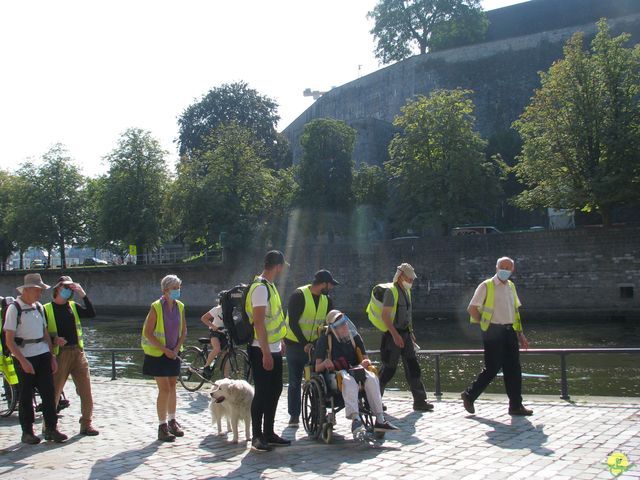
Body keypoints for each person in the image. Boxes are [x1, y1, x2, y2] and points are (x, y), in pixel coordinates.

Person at [461, 257, 533, 416]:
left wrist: (520, 334)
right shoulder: (486, 286)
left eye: (508, 267)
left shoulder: (511, 286)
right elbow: (472, 308)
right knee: (492, 368)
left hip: (510, 330)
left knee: (514, 369)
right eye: (502, 266)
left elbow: (515, 312)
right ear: (496, 267)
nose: (505, 270)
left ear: (512, 270)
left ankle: (515, 406)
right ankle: (469, 395)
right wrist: (485, 324)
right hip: (493, 331)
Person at [3, 273, 68, 444]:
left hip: (42, 354)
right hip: (25, 356)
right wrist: (23, 361)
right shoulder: (14, 309)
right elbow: (9, 340)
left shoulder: (39, 307)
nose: (40, 294)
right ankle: (27, 432)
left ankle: (51, 429)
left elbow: (45, 334)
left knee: (48, 393)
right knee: (25, 395)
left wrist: (52, 356)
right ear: (28, 290)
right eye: (38, 290)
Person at [315, 309, 398, 436]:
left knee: (372, 378)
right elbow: (317, 367)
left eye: (344, 322)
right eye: (340, 325)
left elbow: (365, 358)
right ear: (333, 329)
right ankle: (356, 419)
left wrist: (365, 362)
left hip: (357, 369)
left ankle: (380, 419)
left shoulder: (355, 337)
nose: (344, 326)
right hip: (337, 373)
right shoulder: (325, 340)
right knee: (348, 381)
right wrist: (325, 363)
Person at [367, 263, 433, 412]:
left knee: (413, 367)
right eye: (409, 279)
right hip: (393, 335)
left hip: (405, 333)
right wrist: (396, 336)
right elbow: (385, 316)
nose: (411, 282)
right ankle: (374, 401)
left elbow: (406, 315)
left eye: (412, 279)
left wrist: (410, 332)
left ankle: (420, 401)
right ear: (401, 276)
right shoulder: (391, 292)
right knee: (388, 369)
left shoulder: (406, 291)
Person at [245, 250, 290, 452]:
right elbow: (259, 323)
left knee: (275, 390)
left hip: (272, 346)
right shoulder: (261, 288)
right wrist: (264, 352)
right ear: (278, 266)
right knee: (262, 393)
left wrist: (279, 341)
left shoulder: (269, 286)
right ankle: (257, 436)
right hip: (260, 348)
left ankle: (269, 432)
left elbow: (273, 320)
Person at [43, 275, 98, 436]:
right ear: (57, 289)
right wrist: (54, 340)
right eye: (65, 287)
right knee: (54, 392)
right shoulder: (46, 309)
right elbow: (40, 332)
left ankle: (86, 424)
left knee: (86, 391)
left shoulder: (73, 306)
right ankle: (49, 426)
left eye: (70, 288)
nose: (68, 291)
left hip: (78, 352)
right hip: (60, 354)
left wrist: (83, 294)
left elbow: (91, 313)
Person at [284, 269, 338, 426]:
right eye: (330, 285)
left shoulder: (327, 300)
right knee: (294, 381)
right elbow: (293, 322)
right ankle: (294, 415)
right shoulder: (298, 295)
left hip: (315, 346)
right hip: (295, 345)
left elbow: (329, 323)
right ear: (323, 284)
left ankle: (317, 412)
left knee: (316, 379)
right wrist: (303, 343)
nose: (332, 288)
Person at [141, 274, 187, 442]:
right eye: (175, 288)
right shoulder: (156, 307)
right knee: (165, 389)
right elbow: (148, 332)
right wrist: (164, 349)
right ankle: (162, 426)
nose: (178, 291)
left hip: (174, 353)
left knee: (173, 386)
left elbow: (184, 331)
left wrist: (175, 348)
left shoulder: (180, 306)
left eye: (179, 288)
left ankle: (172, 420)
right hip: (158, 354)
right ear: (166, 290)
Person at [200, 300, 227, 377]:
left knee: (226, 354)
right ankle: (206, 366)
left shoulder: (233, 309)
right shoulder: (217, 309)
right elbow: (204, 318)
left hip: (225, 332)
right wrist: (213, 327)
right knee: (217, 348)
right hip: (215, 332)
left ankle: (226, 377)